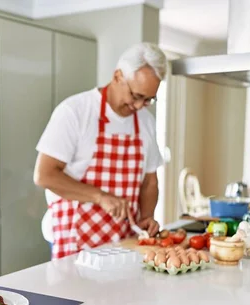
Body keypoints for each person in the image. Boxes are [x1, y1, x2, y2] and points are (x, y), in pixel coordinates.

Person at [33, 42, 167, 259]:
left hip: (123, 239)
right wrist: (100, 197)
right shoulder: (75, 111)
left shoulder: (145, 122)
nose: (140, 106)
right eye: (136, 96)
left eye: (148, 99)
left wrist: (146, 216)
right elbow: (44, 175)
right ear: (117, 76)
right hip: (74, 236)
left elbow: (150, 181)